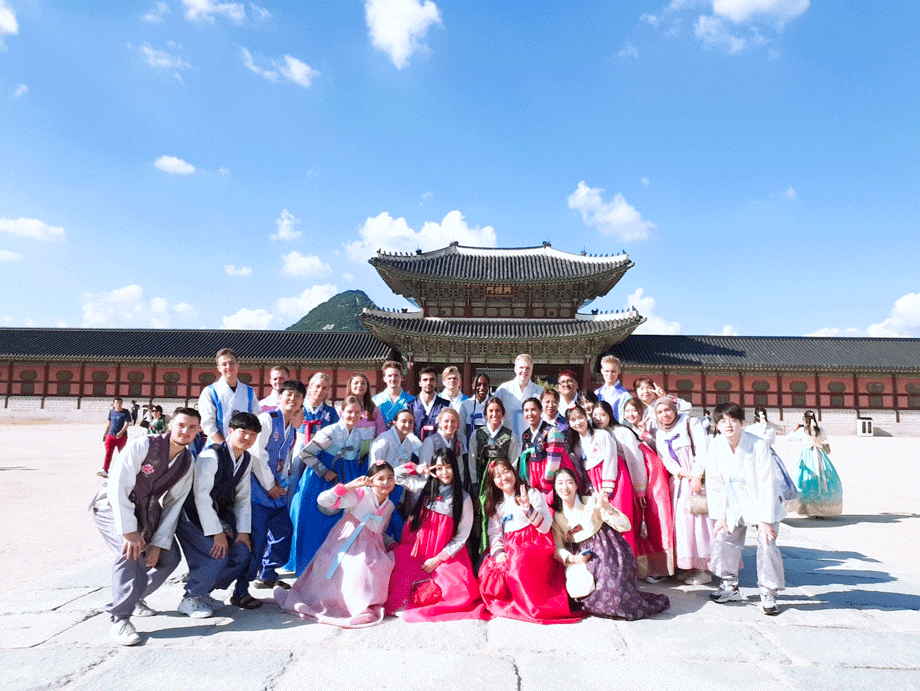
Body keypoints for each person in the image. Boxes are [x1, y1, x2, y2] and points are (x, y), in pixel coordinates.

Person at [91, 408, 201, 646]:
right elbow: (118, 485)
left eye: (192, 427)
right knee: (130, 551)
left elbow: (173, 505)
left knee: (169, 557)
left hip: (146, 510)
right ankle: (120, 618)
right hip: (113, 506)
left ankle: (134, 596)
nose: (185, 431)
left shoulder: (187, 461)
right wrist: (129, 531)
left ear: (198, 431)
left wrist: (159, 543)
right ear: (170, 425)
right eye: (181, 425)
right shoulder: (144, 445)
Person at [692, 402, 786, 615]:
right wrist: (720, 516)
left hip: (761, 499)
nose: (728, 425)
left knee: (766, 542)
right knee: (725, 537)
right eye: (723, 421)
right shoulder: (715, 445)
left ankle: (768, 592)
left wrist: (765, 520)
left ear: (742, 423)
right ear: (716, 425)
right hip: (733, 501)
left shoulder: (759, 445)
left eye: (733, 420)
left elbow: (767, 483)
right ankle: (729, 585)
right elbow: (715, 483)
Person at [276, 463, 397, 628]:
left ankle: (367, 603)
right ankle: (351, 605)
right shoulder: (360, 493)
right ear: (370, 480)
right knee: (360, 568)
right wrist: (348, 486)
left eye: (390, 478)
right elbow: (323, 500)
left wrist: (391, 543)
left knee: (381, 565)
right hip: (347, 541)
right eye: (380, 478)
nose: (386, 483)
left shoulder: (389, 506)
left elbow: (379, 531)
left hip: (372, 546)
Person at [551, 468, 670, 620]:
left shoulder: (592, 502)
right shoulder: (557, 516)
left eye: (569, 482)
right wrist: (573, 559)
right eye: (560, 483)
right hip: (580, 556)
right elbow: (558, 547)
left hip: (606, 549)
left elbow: (625, 526)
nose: (564, 487)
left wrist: (607, 508)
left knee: (615, 592)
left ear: (576, 486)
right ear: (555, 488)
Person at [386, 449, 488, 621]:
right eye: (439, 468)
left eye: (448, 467)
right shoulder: (424, 488)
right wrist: (418, 469)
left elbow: (461, 536)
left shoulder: (463, 498)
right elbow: (396, 476)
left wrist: (437, 559)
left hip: (445, 554)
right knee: (400, 577)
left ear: (455, 468)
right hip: (418, 552)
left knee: (457, 589)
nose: (444, 472)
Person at [175, 412, 260, 618]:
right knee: (216, 555)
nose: (247, 438)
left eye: (252, 434)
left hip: (217, 515)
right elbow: (201, 497)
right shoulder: (210, 457)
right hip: (192, 515)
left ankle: (204, 592)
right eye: (243, 432)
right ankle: (190, 597)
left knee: (242, 551)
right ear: (230, 431)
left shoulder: (246, 459)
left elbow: (242, 497)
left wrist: (243, 531)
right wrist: (217, 533)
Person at [477, 459, 579, 624]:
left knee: (518, 563)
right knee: (488, 571)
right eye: (498, 476)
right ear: (493, 482)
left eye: (506, 471)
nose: (504, 477)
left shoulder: (532, 494)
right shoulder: (497, 504)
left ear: (513, 472)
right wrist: (499, 552)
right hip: (509, 545)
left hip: (534, 542)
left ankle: (535, 607)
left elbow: (545, 527)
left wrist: (527, 508)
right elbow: (494, 533)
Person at [287, 396, 374, 574]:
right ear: (342, 412)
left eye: (357, 412)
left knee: (339, 524)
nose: (353, 416)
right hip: (321, 480)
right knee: (315, 522)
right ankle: (308, 566)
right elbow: (306, 453)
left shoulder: (358, 435)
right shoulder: (330, 432)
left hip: (345, 479)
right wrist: (323, 471)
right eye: (349, 411)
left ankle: (332, 567)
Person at [240, 380, 306, 602]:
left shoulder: (291, 428)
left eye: (298, 396)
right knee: (257, 540)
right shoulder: (268, 419)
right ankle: (241, 590)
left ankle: (268, 572)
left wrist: (282, 484)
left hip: (276, 489)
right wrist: (269, 486)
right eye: (289, 394)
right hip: (258, 488)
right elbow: (257, 454)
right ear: (280, 396)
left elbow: (284, 457)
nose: (292, 399)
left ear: (302, 401)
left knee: (284, 530)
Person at [654, 397, 713, 584]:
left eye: (667, 410)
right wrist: (682, 473)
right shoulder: (660, 432)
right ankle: (690, 565)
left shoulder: (690, 423)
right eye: (659, 412)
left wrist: (696, 475)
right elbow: (665, 459)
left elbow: (703, 450)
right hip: (680, 482)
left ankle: (704, 569)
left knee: (700, 524)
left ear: (674, 409)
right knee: (683, 525)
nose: (664, 415)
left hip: (697, 481)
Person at [587, 401, 644, 555]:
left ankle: (628, 558)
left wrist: (640, 488)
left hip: (621, 477)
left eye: (603, 415)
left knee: (621, 515)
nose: (599, 418)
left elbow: (635, 460)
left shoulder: (621, 432)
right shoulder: (592, 434)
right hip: (602, 478)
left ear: (610, 415)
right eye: (595, 415)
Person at [467, 396, 520, 559]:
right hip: (482, 482)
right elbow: (471, 460)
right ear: (485, 413)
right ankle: (481, 555)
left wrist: (508, 485)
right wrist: (475, 484)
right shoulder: (477, 434)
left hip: (502, 481)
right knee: (481, 514)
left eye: (498, 411)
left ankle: (501, 551)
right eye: (491, 411)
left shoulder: (510, 436)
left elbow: (514, 462)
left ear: (503, 413)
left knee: (498, 512)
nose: (494, 414)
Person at [368, 407, 422, 543]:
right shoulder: (383, 439)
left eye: (411, 422)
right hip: (381, 486)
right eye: (403, 421)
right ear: (395, 423)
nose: (407, 425)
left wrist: (401, 499)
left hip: (397, 487)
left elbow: (405, 472)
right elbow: (374, 466)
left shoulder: (409, 443)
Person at [519, 396, 579, 502]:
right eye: (526, 410)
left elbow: (554, 461)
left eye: (533, 410)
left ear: (541, 410)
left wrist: (546, 485)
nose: (530, 414)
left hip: (553, 476)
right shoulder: (526, 434)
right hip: (535, 478)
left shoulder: (552, 431)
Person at [197, 348, 261, 445]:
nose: (228, 367)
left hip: (243, 446)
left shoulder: (249, 391)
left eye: (232, 363)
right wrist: (224, 446)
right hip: (217, 446)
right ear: (218, 368)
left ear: (238, 365)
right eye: (224, 364)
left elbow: (257, 418)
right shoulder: (210, 391)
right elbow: (207, 424)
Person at [788, 410, 842, 517]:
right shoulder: (821, 430)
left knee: (807, 479)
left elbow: (789, 438)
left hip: (807, 455)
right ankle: (822, 507)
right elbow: (825, 443)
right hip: (820, 455)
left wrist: (795, 429)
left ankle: (808, 508)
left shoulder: (802, 431)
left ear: (804, 420)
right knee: (822, 478)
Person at [494, 353, 544, 439]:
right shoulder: (503, 390)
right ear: (515, 369)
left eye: (528, 368)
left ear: (532, 370)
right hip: (507, 438)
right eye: (521, 367)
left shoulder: (539, 391)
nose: (524, 371)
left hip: (532, 438)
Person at [409, 366, 450, 440]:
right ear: (420, 383)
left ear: (436, 383)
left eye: (432, 379)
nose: (428, 383)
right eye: (425, 380)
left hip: (439, 445)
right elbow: (407, 432)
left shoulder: (446, 405)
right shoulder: (410, 406)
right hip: (416, 446)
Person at [372, 360, 415, 426]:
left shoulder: (412, 400)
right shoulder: (375, 400)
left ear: (402, 377)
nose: (393, 379)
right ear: (384, 379)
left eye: (396, 375)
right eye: (389, 376)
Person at [99, 397, 133, 478]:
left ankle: (125, 471)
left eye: (120, 403)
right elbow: (109, 424)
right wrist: (105, 434)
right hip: (111, 435)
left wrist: (121, 432)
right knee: (108, 453)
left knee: (122, 454)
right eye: (117, 403)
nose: (118, 404)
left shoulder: (125, 412)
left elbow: (127, 424)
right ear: (114, 404)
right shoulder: (112, 412)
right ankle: (105, 470)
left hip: (122, 436)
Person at [346, 372, 386, 437]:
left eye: (363, 383)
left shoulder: (374, 409)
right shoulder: (342, 409)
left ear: (367, 387)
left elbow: (381, 432)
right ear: (350, 386)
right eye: (356, 383)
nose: (359, 385)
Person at [594, 355, 630, 423]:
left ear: (618, 371)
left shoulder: (624, 395)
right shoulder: (597, 393)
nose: (610, 374)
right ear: (602, 371)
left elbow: (624, 421)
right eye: (607, 371)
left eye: (613, 371)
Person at [459, 373, 491, 443]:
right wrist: (464, 448)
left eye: (485, 385)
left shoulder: (493, 404)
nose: (482, 388)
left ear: (488, 387)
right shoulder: (465, 405)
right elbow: (461, 431)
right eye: (479, 385)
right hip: (470, 444)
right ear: (473, 386)